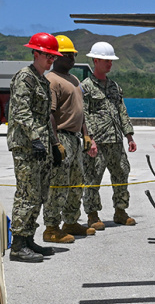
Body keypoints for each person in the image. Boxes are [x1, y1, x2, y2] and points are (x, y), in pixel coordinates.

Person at [7, 32, 63, 263]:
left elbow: (45, 117)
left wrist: (53, 145)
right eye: (47, 55)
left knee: (39, 195)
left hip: (41, 146)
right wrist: (35, 139)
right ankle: (18, 245)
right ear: (35, 53)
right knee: (26, 195)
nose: (51, 60)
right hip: (26, 146)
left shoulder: (43, 81)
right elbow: (21, 112)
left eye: (53, 56)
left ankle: (29, 239)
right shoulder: (25, 78)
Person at [42, 35, 99, 240]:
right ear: (56, 57)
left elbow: (80, 112)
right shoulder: (52, 80)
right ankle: (51, 228)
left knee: (77, 182)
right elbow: (50, 115)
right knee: (58, 183)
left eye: (73, 55)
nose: (72, 59)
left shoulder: (74, 80)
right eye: (68, 55)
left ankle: (71, 222)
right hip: (62, 137)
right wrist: (55, 143)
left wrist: (86, 135)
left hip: (75, 138)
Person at [81, 41, 137, 229]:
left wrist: (129, 136)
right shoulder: (86, 87)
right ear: (96, 61)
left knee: (122, 173)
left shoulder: (114, 86)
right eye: (106, 61)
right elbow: (83, 115)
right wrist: (90, 140)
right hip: (97, 142)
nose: (110, 64)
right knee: (92, 178)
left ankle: (120, 211)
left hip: (116, 141)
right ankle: (92, 215)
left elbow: (122, 111)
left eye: (111, 61)